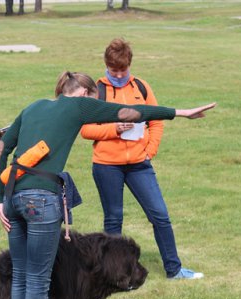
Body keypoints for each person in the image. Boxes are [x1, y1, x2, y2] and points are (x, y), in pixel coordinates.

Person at [0, 71, 215, 299]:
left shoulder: (33, 107)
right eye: (96, 99)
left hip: (14, 198)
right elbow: (131, 112)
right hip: (41, 200)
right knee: (38, 282)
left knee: (21, 277)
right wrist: (180, 112)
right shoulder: (78, 105)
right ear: (85, 93)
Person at [81, 38, 203, 280]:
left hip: (139, 164)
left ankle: (174, 270)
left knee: (160, 215)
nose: (118, 75)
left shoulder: (142, 87)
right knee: (113, 219)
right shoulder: (97, 90)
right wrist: (114, 129)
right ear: (106, 65)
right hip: (107, 165)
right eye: (113, 70)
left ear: (130, 64)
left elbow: (156, 120)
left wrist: (150, 150)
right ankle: (113, 276)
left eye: (123, 69)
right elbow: (86, 129)